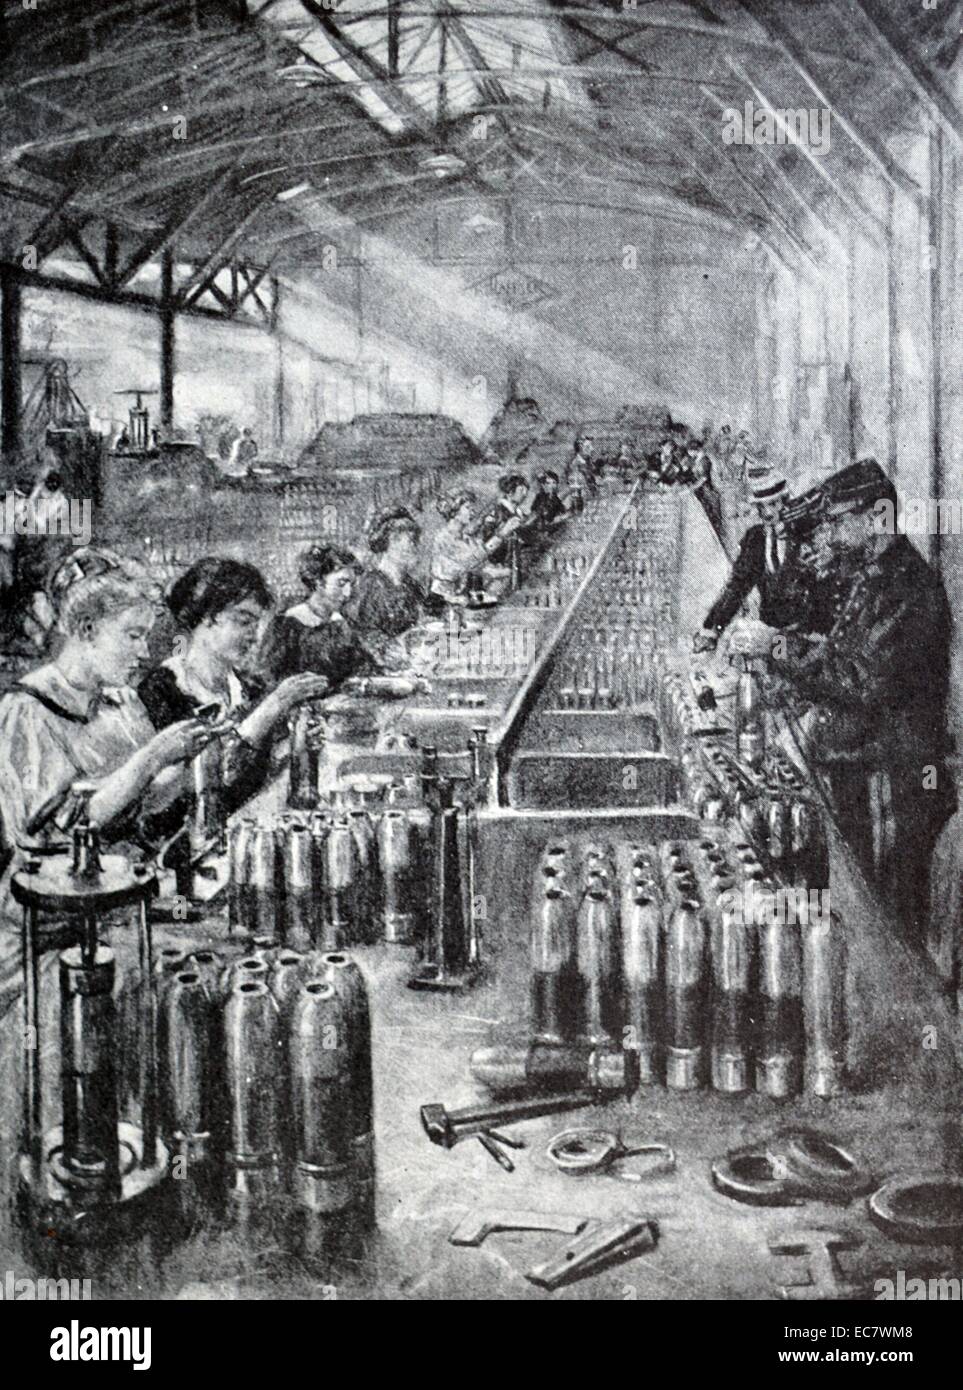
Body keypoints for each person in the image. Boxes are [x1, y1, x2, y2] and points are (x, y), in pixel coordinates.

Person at [0, 549, 216, 1010]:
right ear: (86, 631)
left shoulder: (121, 703)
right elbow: (62, 829)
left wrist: (192, 757)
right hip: (50, 934)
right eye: (134, 635)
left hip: (124, 909)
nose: (144, 652)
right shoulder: (27, 710)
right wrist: (154, 755)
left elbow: (145, 803)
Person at [771, 459, 952, 945]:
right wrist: (792, 656)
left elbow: (862, 680)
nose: (828, 535)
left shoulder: (909, 588)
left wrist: (779, 654)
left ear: (878, 517)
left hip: (893, 786)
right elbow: (842, 656)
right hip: (866, 775)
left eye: (837, 522)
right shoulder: (876, 576)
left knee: (884, 930)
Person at [138, 559, 331, 816]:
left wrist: (298, 744)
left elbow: (257, 779)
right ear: (206, 618)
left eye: (257, 623)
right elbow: (195, 788)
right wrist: (273, 707)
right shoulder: (161, 690)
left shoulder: (249, 688)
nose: (255, 636)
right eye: (243, 621)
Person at [693, 469, 804, 653]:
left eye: (773, 504)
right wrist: (712, 628)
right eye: (761, 506)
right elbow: (738, 585)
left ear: (786, 502)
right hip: (772, 630)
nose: (767, 513)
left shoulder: (803, 536)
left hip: (807, 632)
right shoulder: (756, 538)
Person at [261, 545, 379, 687]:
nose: (348, 593)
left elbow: (364, 669)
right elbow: (270, 682)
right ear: (318, 582)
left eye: (351, 585)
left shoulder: (341, 625)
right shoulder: (287, 626)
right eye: (341, 583)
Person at [345, 508, 442, 645]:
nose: (412, 546)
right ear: (386, 543)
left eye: (413, 540)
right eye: (400, 540)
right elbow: (367, 640)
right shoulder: (370, 586)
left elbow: (417, 623)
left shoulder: (411, 585)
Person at [429, 489, 511, 604]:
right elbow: (473, 559)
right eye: (468, 508)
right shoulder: (444, 538)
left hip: (459, 598)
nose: (472, 512)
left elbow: (482, 567)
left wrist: (508, 572)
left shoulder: (465, 537)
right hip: (441, 600)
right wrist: (502, 534)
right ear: (454, 511)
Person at [474, 474, 529, 566]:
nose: (525, 494)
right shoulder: (496, 512)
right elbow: (486, 542)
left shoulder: (520, 514)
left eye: (526, 490)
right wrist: (503, 533)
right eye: (521, 490)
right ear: (510, 492)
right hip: (497, 564)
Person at [527, 471, 569, 536]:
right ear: (543, 485)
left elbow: (562, 510)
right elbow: (537, 513)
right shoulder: (540, 497)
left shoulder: (555, 498)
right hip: (539, 529)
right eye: (548, 483)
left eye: (554, 483)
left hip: (551, 528)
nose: (552, 486)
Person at [565, 435, 596, 504]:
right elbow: (569, 467)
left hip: (580, 476)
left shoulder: (584, 456)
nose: (581, 446)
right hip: (576, 476)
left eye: (582, 444)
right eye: (580, 444)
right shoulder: (574, 457)